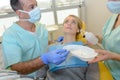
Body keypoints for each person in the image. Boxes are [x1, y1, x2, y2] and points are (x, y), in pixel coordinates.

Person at [2, 0, 69, 79]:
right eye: (32, 7)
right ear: (19, 13)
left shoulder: (41, 28)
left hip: (46, 73)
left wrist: (56, 43)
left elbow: (41, 44)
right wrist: (44, 59)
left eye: (36, 5)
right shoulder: (10, 35)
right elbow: (16, 68)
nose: (37, 9)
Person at [45, 15, 100, 80]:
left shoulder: (88, 51)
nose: (69, 23)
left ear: (78, 30)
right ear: (63, 27)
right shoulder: (51, 48)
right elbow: (40, 73)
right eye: (66, 21)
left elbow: (93, 76)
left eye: (73, 22)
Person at [89, 0, 120, 79]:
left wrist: (113, 56)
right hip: (106, 66)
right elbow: (110, 39)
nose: (110, 2)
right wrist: (98, 39)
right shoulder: (115, 15)